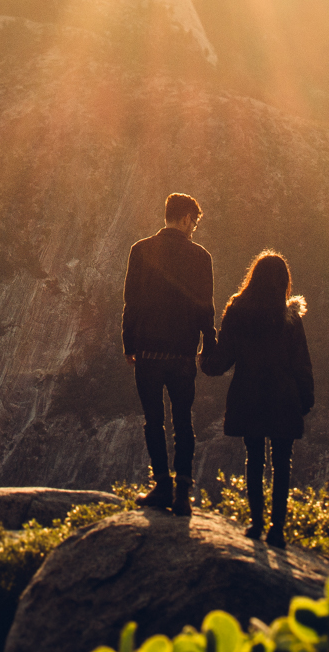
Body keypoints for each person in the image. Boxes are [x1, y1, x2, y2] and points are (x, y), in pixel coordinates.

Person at [200, 250, 314, 548]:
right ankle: (277, 529)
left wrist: (207, 347)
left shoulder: (237, 311)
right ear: (283, 282)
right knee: (281, 464)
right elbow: (302, 362)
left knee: (254, 460)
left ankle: (256, 523)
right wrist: (305, 399)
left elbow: (220, 363)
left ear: (254, 278)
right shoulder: (290, 318)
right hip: (282, 398)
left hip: (248, 396)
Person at [121, 191, 215, 515]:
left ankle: (161, 485)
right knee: (184, 423)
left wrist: (128, 344)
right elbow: (206, 309)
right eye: (194, 222)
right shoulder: (201, 257)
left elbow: (131, 302)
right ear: (187, 218)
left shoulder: (140, 250)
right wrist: (209, 345)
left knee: (153, 421)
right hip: (182, 355)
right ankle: (182, 493)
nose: (194, 228)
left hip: (147, 353)